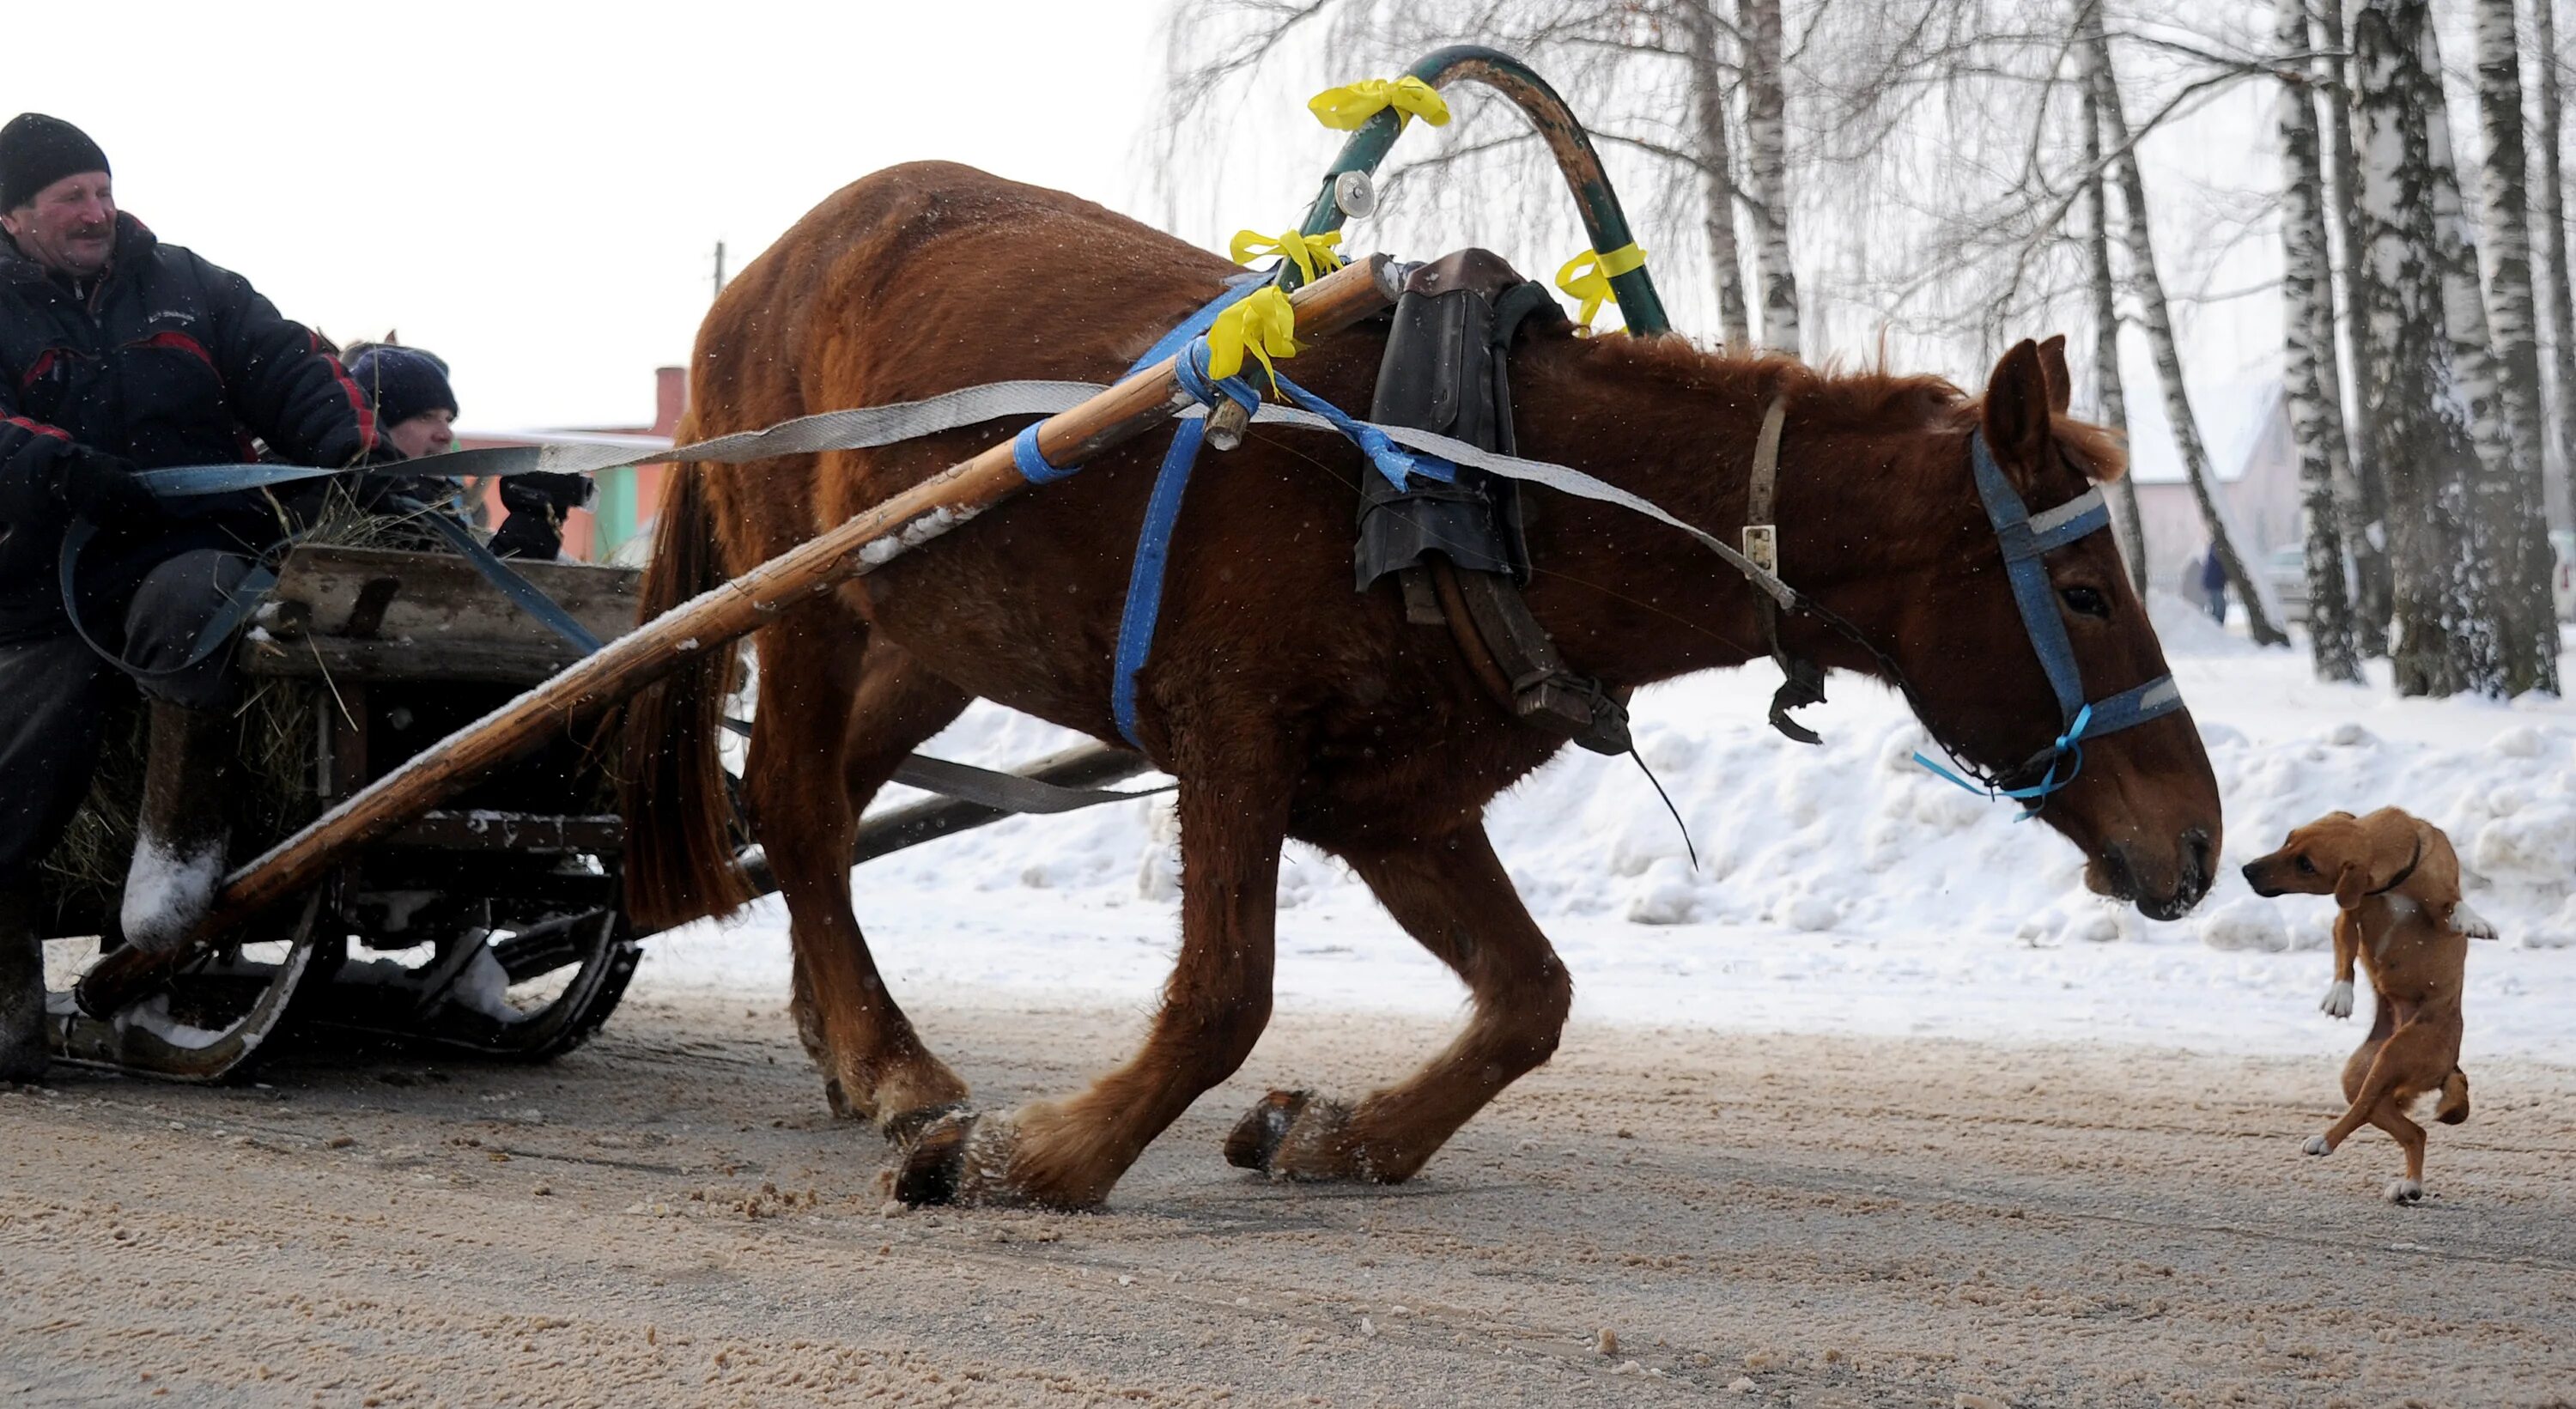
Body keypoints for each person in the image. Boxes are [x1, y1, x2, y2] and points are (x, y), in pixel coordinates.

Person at [0, 113, 401, 1079]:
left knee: (205, 601)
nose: (98, 211)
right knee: (18, 772)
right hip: (32, 582)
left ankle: (177, 855)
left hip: (186, 549)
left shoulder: (189, 285)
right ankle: (8, 1001)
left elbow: (293, 369)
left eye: (103, 189)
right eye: (71, 199)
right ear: (14, 217)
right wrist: (52, 469)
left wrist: (357, 457)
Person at [340, 341, 588, 559]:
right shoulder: (376, 504)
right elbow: (481, 597)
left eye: (448, 420)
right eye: (426, 417)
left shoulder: (423, 499)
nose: (445, 434)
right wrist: (532, 517)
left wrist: (536, 517)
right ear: (380, 423)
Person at [2200, 546, 2229, 625]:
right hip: (2214, 584)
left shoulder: (2216, 548)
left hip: (2214, 583)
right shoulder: (2218, 548)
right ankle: (2216, 629)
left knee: (2218, 608)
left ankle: (2216, 629)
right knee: (2219, 609)